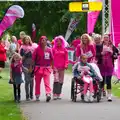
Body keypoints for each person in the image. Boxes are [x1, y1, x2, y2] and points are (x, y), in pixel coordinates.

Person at [32, 36, 53, 102]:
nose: (43, 41)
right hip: (38, 68)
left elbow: (52, 59)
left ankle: (48, 94)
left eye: (44, 40)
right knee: (37, 83)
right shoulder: (37, 49)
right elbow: (33, 59)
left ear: (46, 41)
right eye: (42, 40)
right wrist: (31, 67)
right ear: (40, 41)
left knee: (47, 82)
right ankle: (37, 95)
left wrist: (53, 67)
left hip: (47, 68)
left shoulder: (49, 49)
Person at [100, 34, 118, 101]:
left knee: (108, 80)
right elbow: (97, 53)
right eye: (104, 37)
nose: (106, 39)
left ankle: (109, 95)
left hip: (110, 65)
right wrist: (102, 53)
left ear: (109, 38)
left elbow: (117, 53)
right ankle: (101, 93)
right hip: (101, 65)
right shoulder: (100, 45)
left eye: (107, 37)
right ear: (103, 39)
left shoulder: (112, 46)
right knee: (102, 79)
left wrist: (113, 53)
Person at [52, 35, 68, 100]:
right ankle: (54, 93)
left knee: (61, 81)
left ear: (62, 42)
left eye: (60, 41)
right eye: (57, 41)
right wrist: (52, 66)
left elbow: (66, 59)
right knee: (56, 79)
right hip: (55, 66)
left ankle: (58, 93)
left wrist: (66, 65)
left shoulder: (64, 49)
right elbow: (51, 58)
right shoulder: (53, 49)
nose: (58, 43)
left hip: (62, 67)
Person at [20, 35, 35, 101]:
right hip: (25, 65)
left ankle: (31, 94)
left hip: (32, 65)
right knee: (27, 80)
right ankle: (27, 95)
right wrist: (26, 54)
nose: (27, 41)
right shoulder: (22, 48)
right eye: (25, 39)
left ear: (30, 40)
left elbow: (35, 57)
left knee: (31, 80)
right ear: (24, 40)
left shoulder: (33, 47)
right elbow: (21, 58)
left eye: (28, 39)